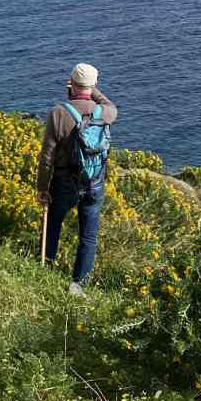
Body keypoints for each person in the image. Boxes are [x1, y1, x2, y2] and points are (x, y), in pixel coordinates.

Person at [36, 62, 118, 295]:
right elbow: (109, 103)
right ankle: (78, 284)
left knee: (52, 226)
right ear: (93, 87)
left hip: (64, 183)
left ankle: (45, 268)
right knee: (88, 236)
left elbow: (47, 157)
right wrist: (93, 91)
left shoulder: (59, 113)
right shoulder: (106, 113)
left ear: (71, 84)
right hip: (94, 183)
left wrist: (42, 188)